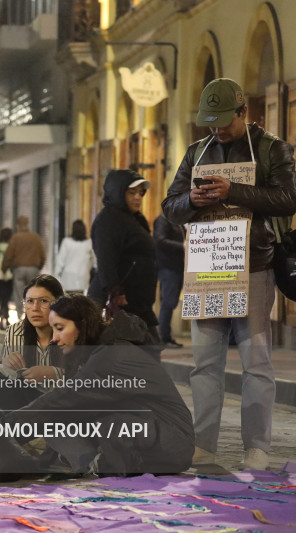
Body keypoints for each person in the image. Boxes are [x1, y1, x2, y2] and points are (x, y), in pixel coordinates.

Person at [162, 78, 296, 470]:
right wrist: (192, 200)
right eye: (210, 122)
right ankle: (202, 443)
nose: (217, 130)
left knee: (256, 361)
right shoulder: (196, 151)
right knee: (204, 363)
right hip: (208, 268)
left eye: (224, 121)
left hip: (254, 266)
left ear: (244, 113)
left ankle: (257, 446)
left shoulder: (273, 148)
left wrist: (231, 191)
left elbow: (289, 198)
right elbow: (170, 206)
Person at [0, 295, 194, 476]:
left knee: (71, 413)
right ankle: (91, 461)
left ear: (82, 325)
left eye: (60, 328)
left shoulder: (111, 356)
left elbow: (63, 399)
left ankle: (100, 463)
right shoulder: (99, 351)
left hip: (167, 443)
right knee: (61, 419)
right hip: (150, 434)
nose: (54, 339)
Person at [88, 169, 158, 336]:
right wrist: (115, 292)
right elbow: (106, 259)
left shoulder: (133, 218)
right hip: (120, 304)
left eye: (141, 193)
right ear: (117, 192)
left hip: (137, 303)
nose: (138, 197)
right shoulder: (109, 220)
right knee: (144, 353)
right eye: (131, 192)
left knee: (147, 352)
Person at [0, 274, 65, 409]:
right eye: (30, 301)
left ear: (59, 303)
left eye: (44, 301)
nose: (35, 308)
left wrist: (55, 373)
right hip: (25, 408)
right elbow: (2, 379)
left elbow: (89, 379)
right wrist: (5, 364)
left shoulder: (69, 331)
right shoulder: (15, 332)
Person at [153, 214, 186, 349]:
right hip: (168, 267)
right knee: (168, 301)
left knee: (170, 302)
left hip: (178, 267)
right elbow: (160, 240)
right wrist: (182, 245)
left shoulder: (178, 221)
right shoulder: (162, 220)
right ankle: (163, 337)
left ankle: (166, 336)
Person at [2, 215, 45, 311]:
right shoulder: (36, 238)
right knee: (34, 293)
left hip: (19, 269)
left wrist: (4, 269)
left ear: (17, 226)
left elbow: (8, 256)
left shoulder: (15, 238)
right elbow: (43, 255)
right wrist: (39, 267)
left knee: (19, 293)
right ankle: (33, 311)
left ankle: (20, 314)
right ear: (28, 224)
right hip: (34, 268)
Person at [55, 220, 94, 293]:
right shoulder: (89, 243)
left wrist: (57, 274)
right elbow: (93, 261)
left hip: (68, 277)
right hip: (83, 275)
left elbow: (60, 260)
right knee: (79, 299)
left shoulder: (66, 242)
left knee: (68, 299)